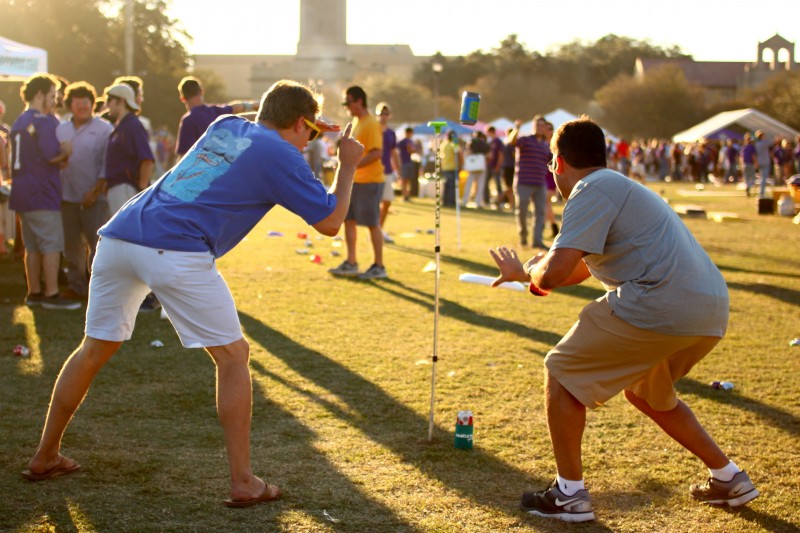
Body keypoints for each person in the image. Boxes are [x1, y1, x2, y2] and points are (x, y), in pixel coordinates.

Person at [21, 79, 364, 508]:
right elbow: (330, 222)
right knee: (233, 357)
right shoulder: (282, 153)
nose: (308, 141)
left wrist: (305, 122)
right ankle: (244, 482)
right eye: (309, 132)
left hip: (119, 238)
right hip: (174, 248)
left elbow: (254, 117)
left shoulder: (226, 125)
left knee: (93, 349)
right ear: (299, 124)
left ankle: (45, 455)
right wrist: (347, 164)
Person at [489, 117, 759, 522]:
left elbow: (557, 270)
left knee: (560, 372)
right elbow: (579, 270)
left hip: (658, 301)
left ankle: (569, 495)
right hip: (708, 308)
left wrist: (532, 271)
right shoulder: (616, 185)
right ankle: (728, 478)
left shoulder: (590, 189)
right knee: (649, 393)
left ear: (558, 163)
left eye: (550, 165)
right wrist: (532, 278)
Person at [8, 73, 78, 310]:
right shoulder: (44, 121)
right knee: (50, 244)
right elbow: (51, 156)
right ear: (40, 95)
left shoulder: (19, 120)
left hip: (21, 190)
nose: (55, 101)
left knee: (33, 245)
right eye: (52, 96)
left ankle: (34, 292)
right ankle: (51, 293)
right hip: (41, 191)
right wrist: (66, 152)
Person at [56, 82, 114, 300]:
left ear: (92, 104)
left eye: (86, 102)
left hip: (95, 197)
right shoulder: (61, 128)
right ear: (70, 105)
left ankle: (98, 289)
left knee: (97, 245)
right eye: (77, 103)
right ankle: (76, 286)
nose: (82, 107)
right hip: (66, 197)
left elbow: (106, 163)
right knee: (72, 247)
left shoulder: (104, 129)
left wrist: (95, 190)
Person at [328, 86, 386, 280]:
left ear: (359, 101)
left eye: (348, 102)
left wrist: (352, 165)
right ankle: (351, 262)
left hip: (370, 180)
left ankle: (379, 265)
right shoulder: (356, 122)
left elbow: (377, 152)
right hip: (355, 181)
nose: (346, 107)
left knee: (372, 223)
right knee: (348, 220)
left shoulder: (371, 123)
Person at [175, 76, 257, 160]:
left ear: (182, 98)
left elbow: (183, 156)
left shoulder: (188, 120)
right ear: (201, 92)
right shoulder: (215, 111)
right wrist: (253, 105)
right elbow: (236, 107)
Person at [103, 83, 155, 215]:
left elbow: (147, 160)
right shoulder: (122, 126)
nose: (106, 105)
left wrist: (141, 190)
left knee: (125, 233)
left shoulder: (132, 125)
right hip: (118, 188)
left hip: (126, 188)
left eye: (109, 100)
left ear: (121, 101)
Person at [509, 116, 549, 249]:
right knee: (522, 211)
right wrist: (516, 129)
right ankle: (523, 236)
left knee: (540, 213)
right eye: (537, 125)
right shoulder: (525, 140)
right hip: (523, 182)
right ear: (533, 126)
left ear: (545, 128)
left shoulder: (546, 145)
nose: (539, 127)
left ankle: (537, 241)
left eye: (542, 125)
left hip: (540, 183)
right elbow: (512, 141)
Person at [375, 102, 400, 244]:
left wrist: (399, 170)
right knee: (375, 203)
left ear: (389, 116)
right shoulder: (373, 130)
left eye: (386, 114)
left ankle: (380, 229)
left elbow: (393, 152)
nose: (383, 117)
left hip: (388, 171)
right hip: (374, 172)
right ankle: (375, 231)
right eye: (381, 114)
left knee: (387, 202)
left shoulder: (391, 133)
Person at [461, 131, 489, 208]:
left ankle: (464, 201)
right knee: (480, 184)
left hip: (472, 164)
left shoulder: (471, 142)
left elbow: (467, 151)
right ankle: (478, 202)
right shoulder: (484, 143)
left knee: (469, 183)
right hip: (481, 164)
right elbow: (488, 154)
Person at [397, 127, 417, 202]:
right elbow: (397, 151)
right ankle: (404, 196)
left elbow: (413, 151)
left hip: (409, 162)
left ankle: (407, 195)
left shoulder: (411, 141)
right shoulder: (402, 141)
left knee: (408, 180)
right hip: (403, 162)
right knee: (403, 180)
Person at [754, 130, 772, 197]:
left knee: (762, 178)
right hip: (765, 162)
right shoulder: (764, 142)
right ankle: (762, 191)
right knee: (764, 178)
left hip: (759, 162)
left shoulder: (757, 144)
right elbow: (771, 142)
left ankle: (761, 191)